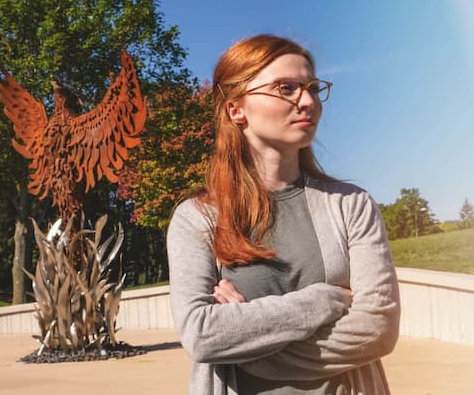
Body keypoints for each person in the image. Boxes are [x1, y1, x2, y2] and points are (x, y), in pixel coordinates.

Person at [167, 34, 400, 395]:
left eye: (312, 88)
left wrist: (248, 349)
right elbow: (201, 335)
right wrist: (325, 300)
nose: (307, 101)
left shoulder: (351, 205)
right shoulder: (196, 218)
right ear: (236, 109)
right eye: (285, 88)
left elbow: (378, 329)